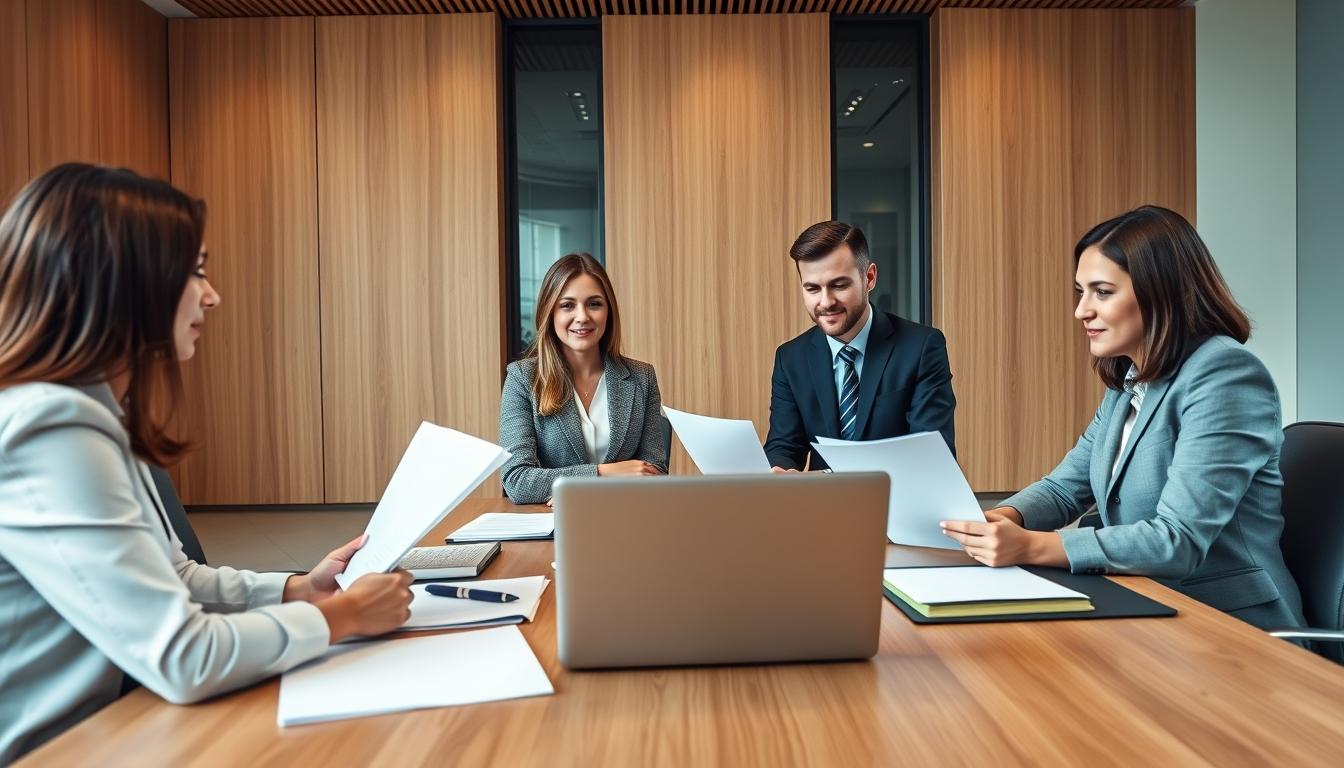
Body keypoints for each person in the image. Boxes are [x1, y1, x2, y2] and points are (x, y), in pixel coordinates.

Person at [0, 164, 414, 763]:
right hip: (67, 746)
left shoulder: (97, 411)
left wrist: (301, 588)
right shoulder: (50, 427)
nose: (213, 294)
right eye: (195, 272)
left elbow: (175, 579)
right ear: (124, 282)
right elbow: (184, 655)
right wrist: (341, 618)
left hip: (126, 718)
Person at [939, 205, 1305, 630]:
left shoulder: (1225, 375)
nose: (1082, 311)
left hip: (1230, 626)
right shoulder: (1132, 380)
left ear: (1160, 291)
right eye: (1081, 291)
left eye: (1103, 292)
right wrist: (1005, 518)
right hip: (1145, 604)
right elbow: (1064, 489)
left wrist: (1031, 547)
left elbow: (1177, 541)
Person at [764, 220, 956, 471]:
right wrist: (778, 469)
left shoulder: (921, 348)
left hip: (897, 504)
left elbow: (931, 454)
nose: (826, 302)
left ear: (870, 278)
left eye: (839, 285)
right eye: (812, 289)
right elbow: (784, 446)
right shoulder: (790, 358)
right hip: (822, 506)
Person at [499, 253, 667, 504]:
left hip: (628, 518)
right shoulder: (522, 379)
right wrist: (602, 475)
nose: (582, 317)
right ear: (550, 312)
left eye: (594, 304)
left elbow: (653, 473)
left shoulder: (642, 378)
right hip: (552, 528)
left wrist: (566, 486)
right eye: (567, 305)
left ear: (608, 311)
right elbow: (517, 480)